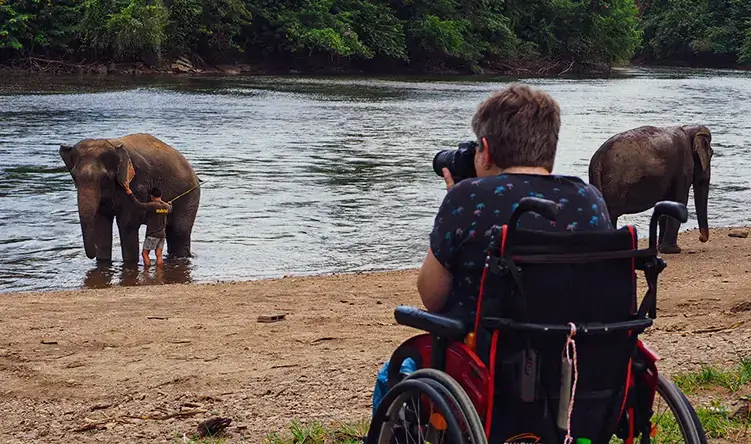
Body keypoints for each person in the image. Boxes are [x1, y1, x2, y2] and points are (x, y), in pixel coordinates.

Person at [372, 83, 613, 414]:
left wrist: (453, 197)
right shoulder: (590, 199)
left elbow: (433, 297)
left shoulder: (467, 197)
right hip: (575, 363)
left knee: (393, 374)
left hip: (484, 366)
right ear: (550, 149)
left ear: (484, 149)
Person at [124, 186, 172, 267]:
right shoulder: (167, 207)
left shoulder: (152, 205)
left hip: (152, 235)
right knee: (159, 254)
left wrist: (130, 194)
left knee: (145, 254)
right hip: (162, 235)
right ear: (160, 195)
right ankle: (159, 272)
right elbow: (170, 208)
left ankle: (146, 271)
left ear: (152, 196)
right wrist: (167, 203)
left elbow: (138, 204)